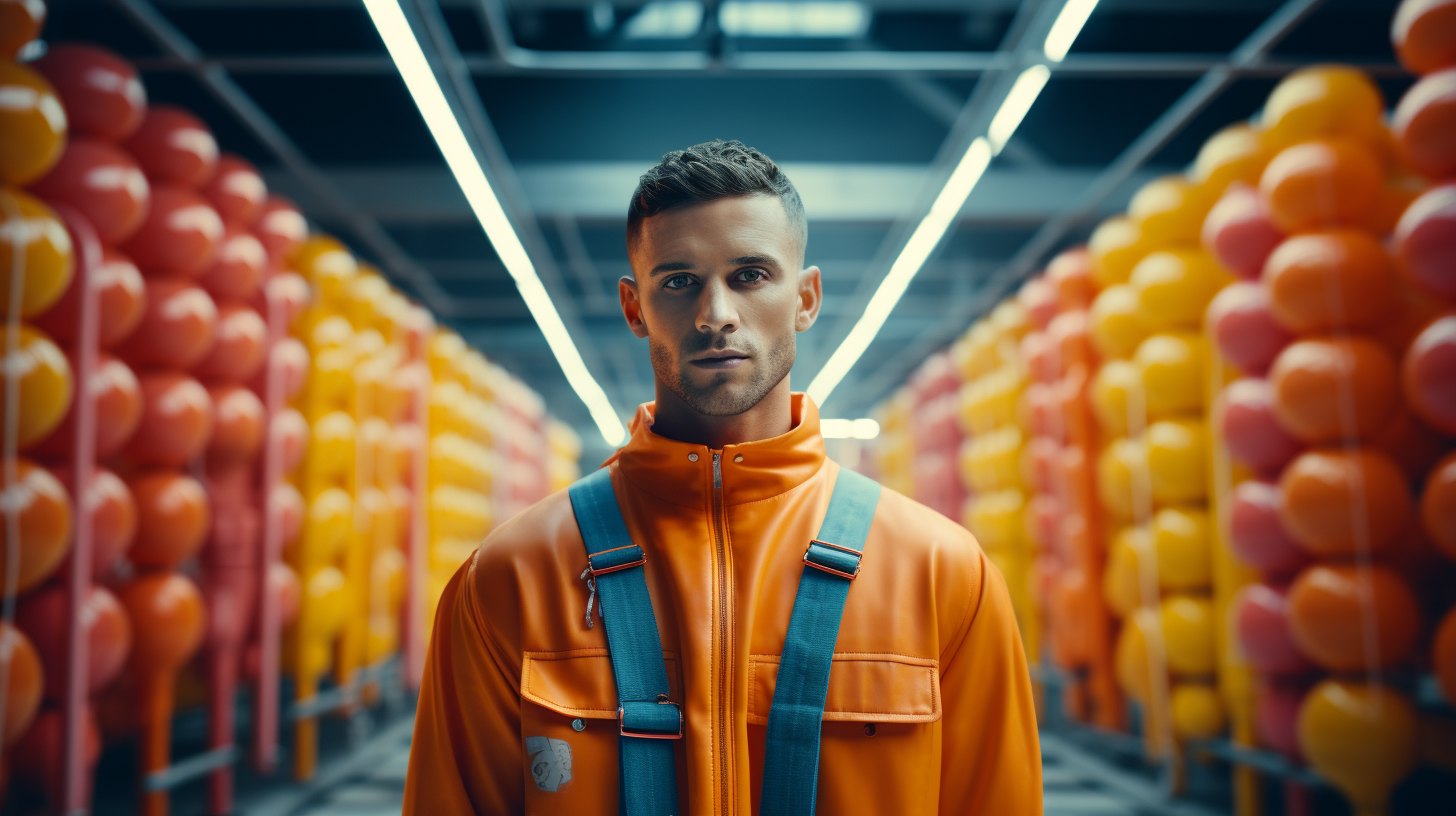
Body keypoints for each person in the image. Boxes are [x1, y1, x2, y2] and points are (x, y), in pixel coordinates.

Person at [403, 139, 1042, 815]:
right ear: (634, 307)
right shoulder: (510, 578)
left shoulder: (942, 576)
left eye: (750, 276)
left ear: (806, 297)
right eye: (678, 281)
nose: (716, 315)